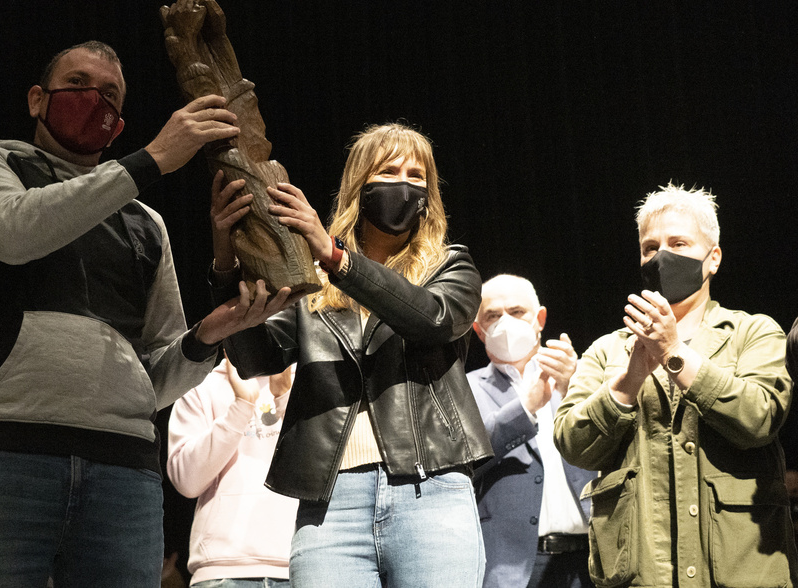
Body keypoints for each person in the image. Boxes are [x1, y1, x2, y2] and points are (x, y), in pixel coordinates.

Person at [0, 41, 295, 587]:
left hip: (124, 473)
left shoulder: (145, 224)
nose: (92, 99)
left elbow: (154, 376)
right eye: (77, 83)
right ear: (37, 99)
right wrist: (152, 160)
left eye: (109, 95)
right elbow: (14, 233)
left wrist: (206, 337)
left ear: (117, 125)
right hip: (6, 456)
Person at [209, 123, 493, 587]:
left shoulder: (451, 266)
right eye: (388, 170)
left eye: (416, 175)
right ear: (359, 185)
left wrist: (337, 259)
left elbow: (433, 320)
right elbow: (254, 354)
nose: (404, 183)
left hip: (431, 490)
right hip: (331, 504)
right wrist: (225, 263)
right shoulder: (311, 282)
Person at [554, 183, 798, 588]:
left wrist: (673, 353)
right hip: (642, 575)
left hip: (741, 571)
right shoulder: (607, 350)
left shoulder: (754, 332)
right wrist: (631, 378)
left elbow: (760, 418)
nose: (662, 256)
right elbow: (572, 443)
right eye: (650, 247)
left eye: (679, 243)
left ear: (713, 257)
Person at [466, 274, 594, 588]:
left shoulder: (582, 376)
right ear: (479, 331)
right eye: (492, 316)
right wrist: (527, 406)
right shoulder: (464, 389)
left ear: (539, 319)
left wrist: (573, 388)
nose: (505, 323)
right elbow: (466, 457)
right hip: (516, 569)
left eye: (517, 311)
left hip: (591, 560)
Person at [167, 357, 297, 587]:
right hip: (222, 570)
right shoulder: (201, 386)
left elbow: (327, 469)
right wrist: (241, 406)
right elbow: (186, 481)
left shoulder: (310, 378)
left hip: (303, 563)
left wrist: (286, 396)